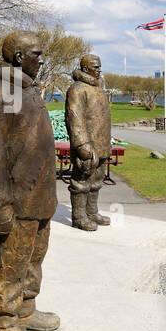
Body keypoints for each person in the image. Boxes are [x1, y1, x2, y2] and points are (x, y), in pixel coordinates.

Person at [0, 31, 60, 331]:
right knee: (10, 261)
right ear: (19, 57)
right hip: (16, 201)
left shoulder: (27, 89)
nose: (41, 59)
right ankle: (4, 324)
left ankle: (25, 309)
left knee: (34, 257)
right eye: (37, 53)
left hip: (39, 196)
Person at [64, 53, 113, 230]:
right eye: (96, 67)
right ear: (85, 69)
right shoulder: (77, 89)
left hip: (101, 143)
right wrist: (82, 145)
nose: (99, 70)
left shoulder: (97, 87)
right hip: (87, 146)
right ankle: (78, 217)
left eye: (99, 66)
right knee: (81, 182)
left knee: (97, 180)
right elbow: (74, 118)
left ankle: (92, 212)